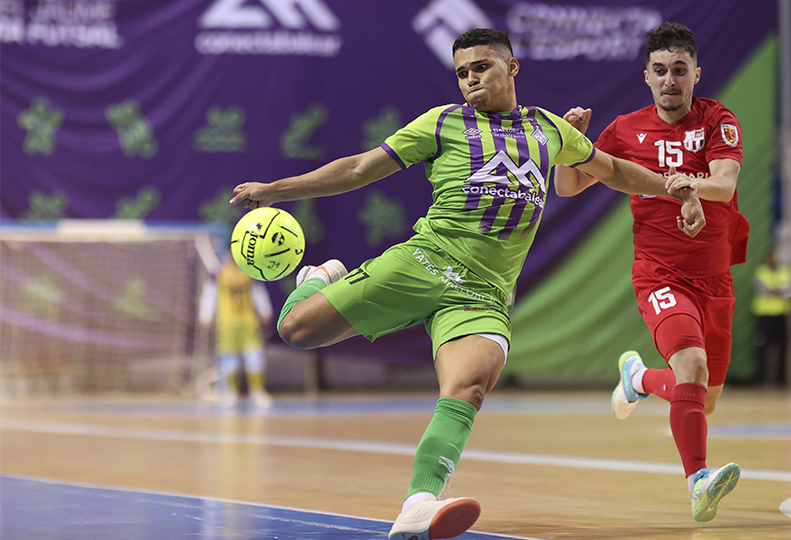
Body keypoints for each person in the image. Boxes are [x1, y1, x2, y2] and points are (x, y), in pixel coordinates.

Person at [229, 28, 705, 540]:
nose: (470, 79)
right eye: (461, 72)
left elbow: (611, 170)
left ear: (512, 67)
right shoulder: (442, 123)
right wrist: (276, 190)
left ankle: (418, 502)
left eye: (481, 67)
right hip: (424, 262)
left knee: (469, 385)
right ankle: (322, 276)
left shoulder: (549, 129)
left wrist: (674, 189)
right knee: (296, 329)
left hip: (484, 292)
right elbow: (359, 168)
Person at [553, 22, 747, 522]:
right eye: (660, 71)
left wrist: (688, 185)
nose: (670, 80)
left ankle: (638, 378)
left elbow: (724, 185)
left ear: (696, 74)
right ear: (647, 76)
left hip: (716, 281)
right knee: (692, 370)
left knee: (701, 401)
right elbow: (568, 187)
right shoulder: (624, 130)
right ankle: (698, 483)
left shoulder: (718, 121)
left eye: (679, 71)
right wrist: (569, 144)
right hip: (660, 275)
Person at [197, 257, 274, 408]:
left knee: (254, 356)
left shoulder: (250, 271)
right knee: (228, 358)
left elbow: (258, 291)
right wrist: (205, 314)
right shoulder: (219, 273)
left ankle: (257, 392)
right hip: (227, 322)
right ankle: (230, 392)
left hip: (248, 321)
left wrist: (265, 309)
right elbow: (210, 292)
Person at [751, 249, 791, 386]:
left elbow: (790, 291)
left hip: (782, 315)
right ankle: (761, 379)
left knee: (784, 349)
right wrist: (779, 291)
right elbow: (764, 290)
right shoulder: (760, 272)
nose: (772, 259)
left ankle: (782, 380)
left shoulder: (786, 272)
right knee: (762, 348)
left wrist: (776, 291)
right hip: (765, 315)